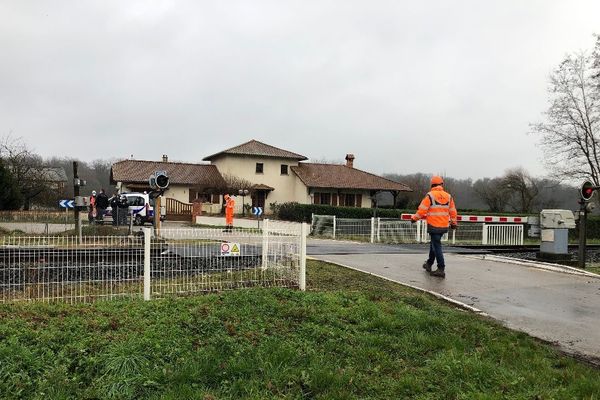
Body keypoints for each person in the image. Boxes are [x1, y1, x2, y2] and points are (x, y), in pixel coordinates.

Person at [410, 176, 457, 278]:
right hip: (443, 226)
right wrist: (453, 223)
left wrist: (414, 218)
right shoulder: (448, 196)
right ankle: (429, 264)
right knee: (434, 244)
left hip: (433, 225)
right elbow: (453, 211)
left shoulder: (430, 196)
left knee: (436, 245)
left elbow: (422, 210)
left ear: (432, 185)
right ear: (442, 184)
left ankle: (441, 268)